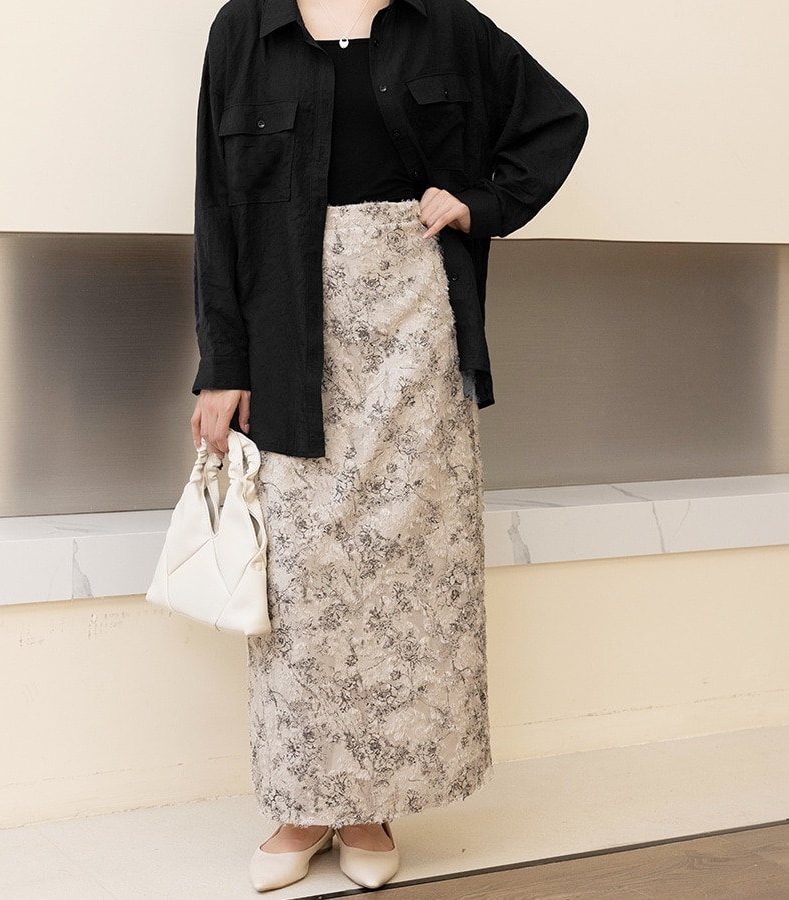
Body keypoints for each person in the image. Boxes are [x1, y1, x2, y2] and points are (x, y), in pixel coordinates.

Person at [190, 0, 588, 891]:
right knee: (301, 583)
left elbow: (556, 121)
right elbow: (217, 206)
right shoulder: (244, 28)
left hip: (416, 331)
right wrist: (222, 365)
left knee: (407, 574)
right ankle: (302, 805)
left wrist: (481, 203)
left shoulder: (444, 22)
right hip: (288, 338)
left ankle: (373, 805)